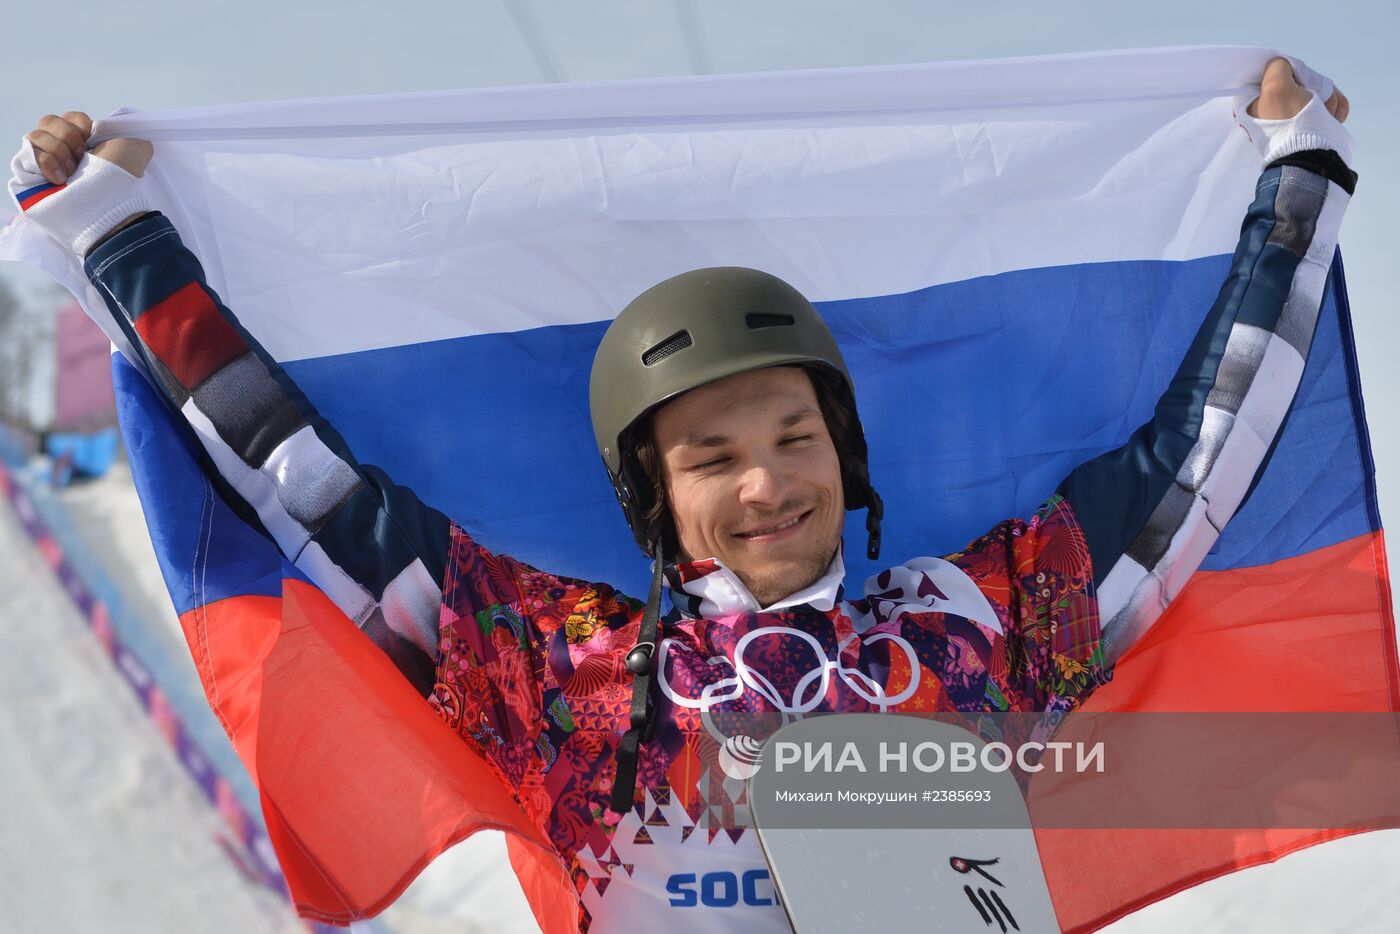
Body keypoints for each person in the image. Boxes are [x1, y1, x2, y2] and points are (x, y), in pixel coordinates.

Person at [10, 57, 1356, 932]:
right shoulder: (572, 671)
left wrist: (1291, 193)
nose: (768, 481)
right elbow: (304, 482)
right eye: (713, 455)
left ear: (848, 455)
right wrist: (122, 243)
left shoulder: (971, 626)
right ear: (654, 497)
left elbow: (1196, 464)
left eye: (796, 435)